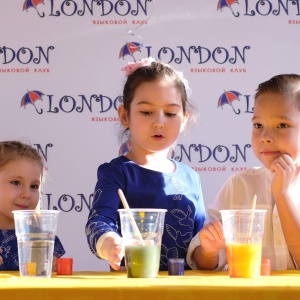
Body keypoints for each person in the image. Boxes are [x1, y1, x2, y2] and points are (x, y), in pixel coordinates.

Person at [85, 57, 206, 271]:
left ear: (184, 118)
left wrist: (212, 248)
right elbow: (99, 221)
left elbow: (199, 246)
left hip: (184, 291)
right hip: (132, 289)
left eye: (170, 113)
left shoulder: (190, 177)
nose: (159, 122)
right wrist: (108, 242)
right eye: (146, 112)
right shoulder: (117, 173)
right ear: (124, 116)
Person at [187, 74, 300, 271]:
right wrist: (209, 250)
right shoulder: (238, 185)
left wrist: (282, 195)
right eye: (258, 125)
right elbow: (201, 263)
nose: (265, 137)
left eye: (282, 125)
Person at [0, 140, 65, 271]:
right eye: (16, 182)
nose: (27, 194)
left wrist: (53, 267)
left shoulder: (42, 238)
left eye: (34, 186)